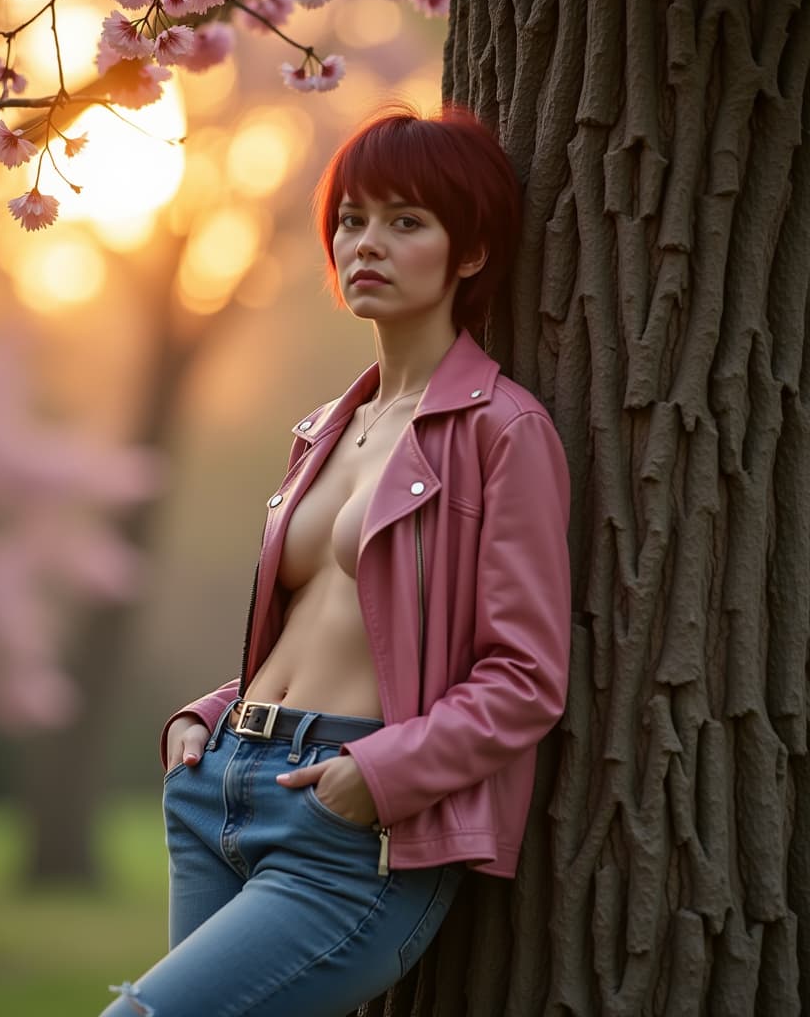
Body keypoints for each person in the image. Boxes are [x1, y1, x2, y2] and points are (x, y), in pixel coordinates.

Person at [102, 106, 571, 1017]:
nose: (368, 243)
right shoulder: (324, 430)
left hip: (352, 826)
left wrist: (380, 776)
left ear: (469, 254)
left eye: (407, 222)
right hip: (217, 789)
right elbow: (316, 621)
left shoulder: (503, 432)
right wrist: (204, 718)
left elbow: (526, 677)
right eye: (352, 219)